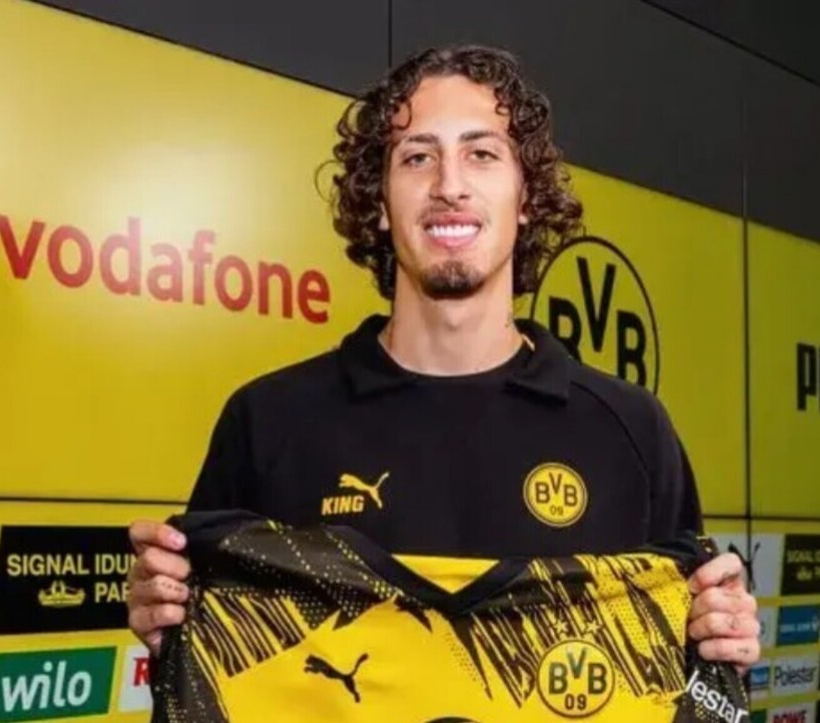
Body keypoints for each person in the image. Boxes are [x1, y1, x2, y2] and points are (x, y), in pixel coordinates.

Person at [126, 44, 759, 677]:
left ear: (526, 197)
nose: (449, 186)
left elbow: (685, 655)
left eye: (482, 154)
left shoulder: (632, 430)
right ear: (380, 202)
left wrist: (717, 638)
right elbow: (221, 671)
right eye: (418, 157)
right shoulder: (267, 422)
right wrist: (173, 626)